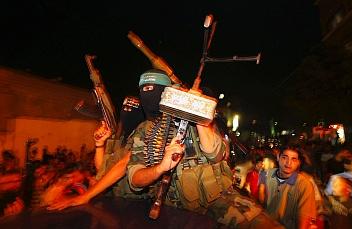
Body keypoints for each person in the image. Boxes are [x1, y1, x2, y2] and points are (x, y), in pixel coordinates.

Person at [48, 69, 282, 228]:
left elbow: (215, 152)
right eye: (144, 89)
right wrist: (160, 168)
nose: (149, 94)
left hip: (217, 199)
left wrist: (198, 114)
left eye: (155, 88)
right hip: (175, 208)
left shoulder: (196, 118)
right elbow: (132, 175)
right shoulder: (145, 130)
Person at [259, 146, 317, 229]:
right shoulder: (267, 174)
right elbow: (262, 198)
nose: (288, 163)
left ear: (298, 163)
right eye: (284, 157)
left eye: (293, 159)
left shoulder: (304, 185)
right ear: (278, 157)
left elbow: (305, 218)